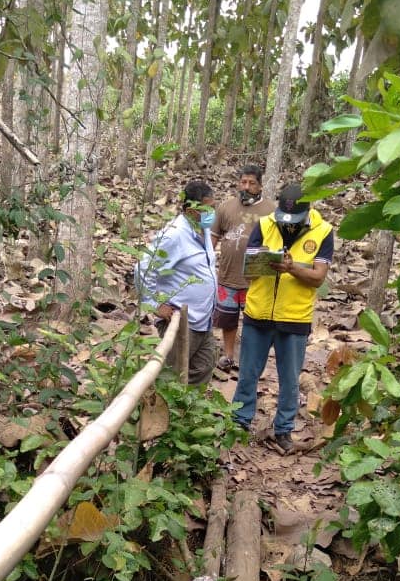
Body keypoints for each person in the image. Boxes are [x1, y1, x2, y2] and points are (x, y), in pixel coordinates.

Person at [233, 182, 334, 452]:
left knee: (289, 380)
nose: (288, 225)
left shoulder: (323, 231)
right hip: (259, 312)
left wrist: (292, 268)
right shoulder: (265, 224)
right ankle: (239, 422)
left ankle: (284, 429)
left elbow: (318, 277)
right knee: (247, 374)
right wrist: (263, 263)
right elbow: (248, 271)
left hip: (294, 317)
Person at [135, 180, 217, 386]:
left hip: (203, 319)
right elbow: (144, 267)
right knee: (171, 378)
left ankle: (189, 407)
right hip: (180, 320)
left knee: (202, 369)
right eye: (207, 209)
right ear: (190, 211)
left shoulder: (203, 230)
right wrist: (154, 304)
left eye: (213, 207)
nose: (212, 213)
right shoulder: (174, 234)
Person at [211, 165, 275, 371]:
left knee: (254, 322)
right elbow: (213, 237)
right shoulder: (225, 207)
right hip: (228, 275)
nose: (246, 187)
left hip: (256, 279)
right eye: (243, 182)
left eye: (252, 183)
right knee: (228, 320)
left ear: (260, 186)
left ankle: (249, 360)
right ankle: (228, 355)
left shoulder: (270, 211)